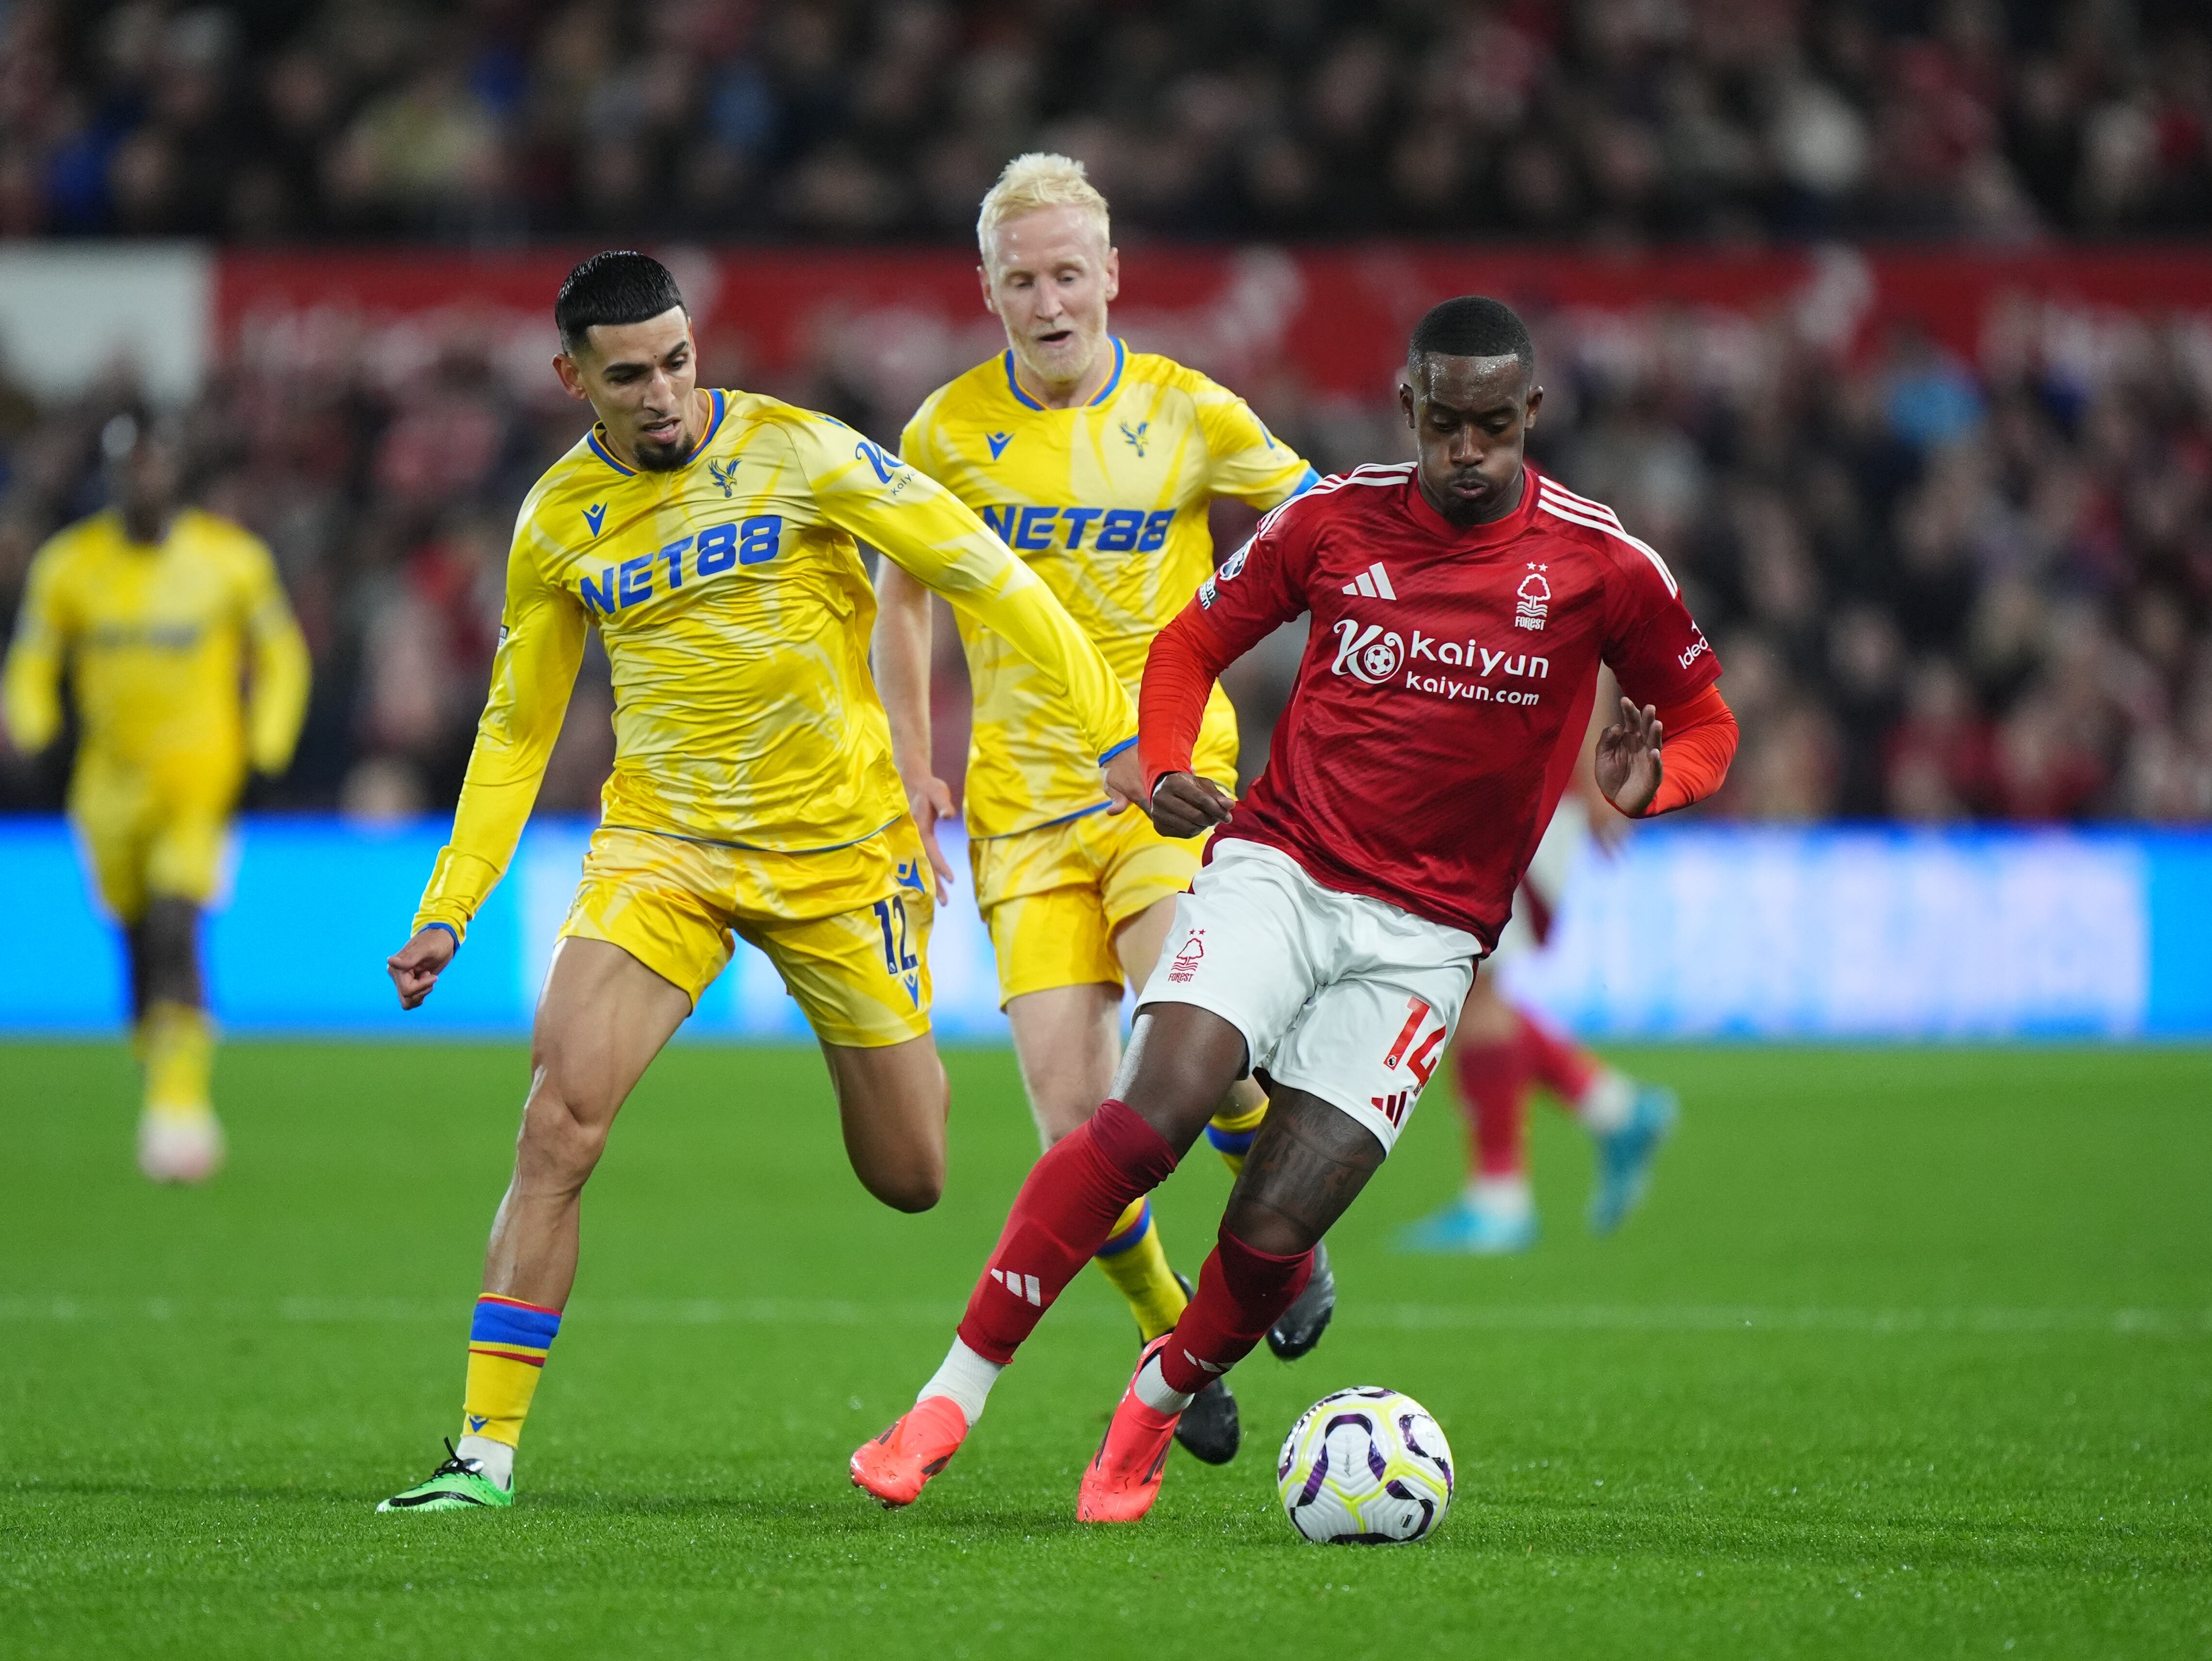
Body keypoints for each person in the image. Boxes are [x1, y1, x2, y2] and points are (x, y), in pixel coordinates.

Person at [850, 296, 1738, 1522]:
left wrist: (1655, 783)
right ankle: (948, 1395)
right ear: (1407, 408)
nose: (1467, 451)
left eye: (1493, 425)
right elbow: (1187, 645)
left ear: (1531, 415)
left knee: (1272, 1229)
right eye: (1446, 423)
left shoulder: (1602, 564)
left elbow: (1701, 722)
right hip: (1281, 866)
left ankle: (1150, 1407)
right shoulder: (1330, 521)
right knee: (1147, 1111)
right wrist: (1163, 761)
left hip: (1428, 940)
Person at [374, 251, 1146, 1515]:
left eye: (678, 361)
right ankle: (481, 1456)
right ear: (574, 379)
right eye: (630, 376)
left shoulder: (805, 454)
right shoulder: (557, 521)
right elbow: (517, 726)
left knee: (910, 1174)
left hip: (840, 858)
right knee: (556, 1123)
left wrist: (1112, 729)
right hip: (660, 855)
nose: (666, 395)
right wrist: (450, 902)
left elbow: (982, 572)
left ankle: (1134, 1288)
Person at [873, 154, 1327, 1467]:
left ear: (1113, 275)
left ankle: (1272, 1220)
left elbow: (1314, 526)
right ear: (988, 289)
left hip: (1167, 787)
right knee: (1076, 1132)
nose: (1048, 299)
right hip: (1019, 816)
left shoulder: (1189, 414)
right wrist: (914, 763)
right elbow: (903, 599)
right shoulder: (945, 434)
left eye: (1070, 272)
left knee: (1201, 1046)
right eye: (1021, 279)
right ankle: (1172, 1330)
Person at [1, 411, 310, 1184]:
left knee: (177, 929)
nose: (143, 481)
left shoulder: (230, 561)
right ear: (109, 478)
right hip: (106, 790)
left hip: (199, 783)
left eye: (154, 466)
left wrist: (266, 749)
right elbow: (31, 665)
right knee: (139, 945)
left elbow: (283, 657)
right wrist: (36, 736)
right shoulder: (68, 566)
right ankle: (160, 1076)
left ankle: (181, 1106)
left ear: (177, 473)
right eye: (128, 468)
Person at [1400, 670, 1680, 1254]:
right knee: (1471, 983)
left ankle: (1500, 1196)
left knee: (1471, 985)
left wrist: (1593, 782)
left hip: (1533, 797)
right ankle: (1615, 1110)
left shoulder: (1553, 578)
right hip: (1497, 790)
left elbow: (1593, 659)